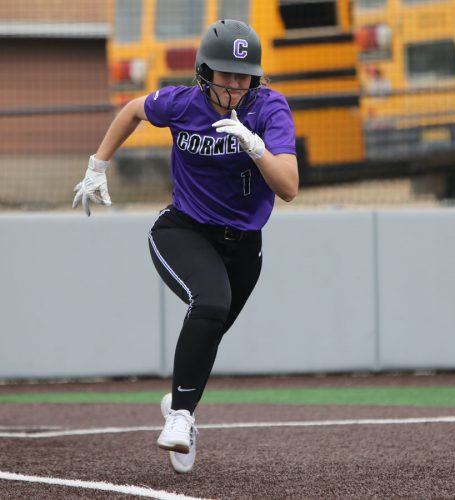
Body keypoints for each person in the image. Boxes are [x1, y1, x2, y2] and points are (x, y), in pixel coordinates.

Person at [72, 19, 298, 473]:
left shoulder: (270, 110)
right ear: (203, 73)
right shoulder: (181, 102)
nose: (234, 86)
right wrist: (98, 166)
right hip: (184, 230)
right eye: (224, 75)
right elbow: (131, 111)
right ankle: (180, 417)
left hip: (244, 247)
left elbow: (289, 187)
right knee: (211, 303)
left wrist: (256, 147)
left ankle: (180, 406)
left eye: (243, 76)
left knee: (208, 330)